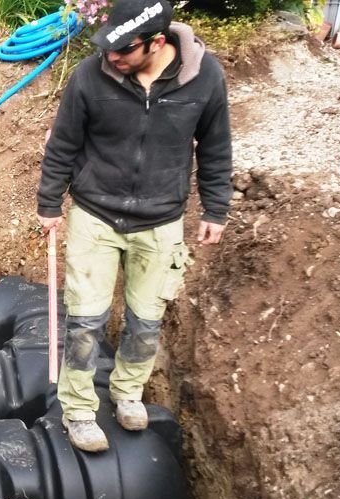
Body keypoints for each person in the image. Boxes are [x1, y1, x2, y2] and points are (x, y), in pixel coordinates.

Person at [36, 0, 232, 452]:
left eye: (122, 51)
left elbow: (217, 148)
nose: (111, 58)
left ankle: (127, 393)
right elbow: (63, 143)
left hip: (162, 222)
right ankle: (80, 409)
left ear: (156, 43)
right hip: (95, 215)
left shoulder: (205, 79)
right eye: (107, 48)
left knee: (146, 321)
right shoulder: (90, 76)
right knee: (85, 321)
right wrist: (50, 204)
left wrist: (215, 209)